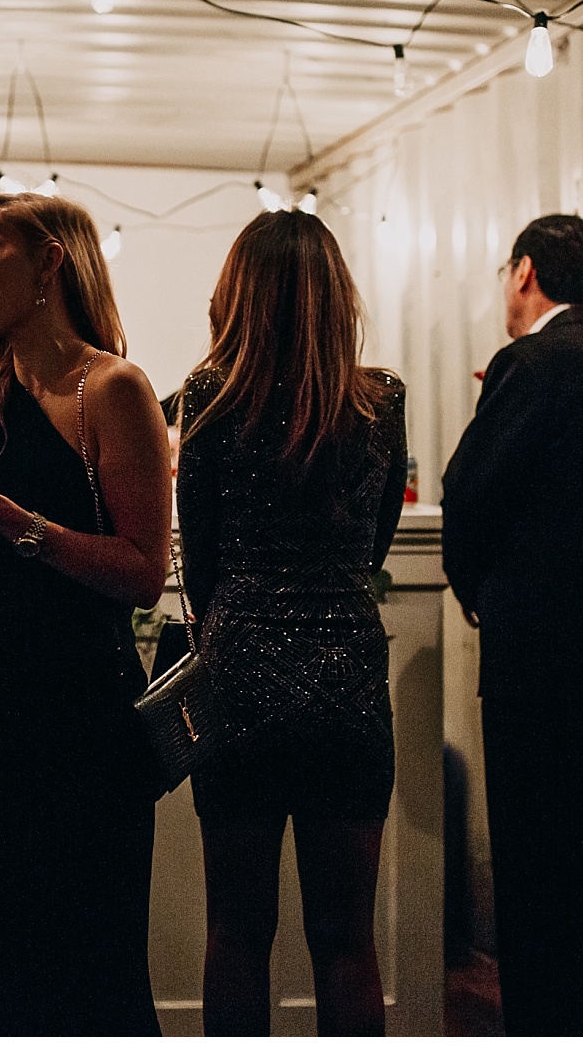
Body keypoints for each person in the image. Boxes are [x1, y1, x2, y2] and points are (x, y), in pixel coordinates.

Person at [0, 193, 170, 1036]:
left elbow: (143, 572)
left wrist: (7, 520)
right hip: (0, 711)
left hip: (89, 716)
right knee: (5, 959)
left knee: (95, 961)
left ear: (50, 262)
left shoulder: (113, 388)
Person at [440, 214, 583, 1036]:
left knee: (537, 867)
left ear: (526, 272)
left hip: (536, 657)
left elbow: (466, 494)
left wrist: (475, 590)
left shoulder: (530, 361)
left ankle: (543, 1026)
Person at [176, 209, 406, 1036]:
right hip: (349, 676)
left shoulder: (209, 396)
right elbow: (374, 541)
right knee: (346, 939)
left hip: (238, 678)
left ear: (238, 293)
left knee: (237, 930)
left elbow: (197, 557)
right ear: (336, 297)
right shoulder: (382, 400)